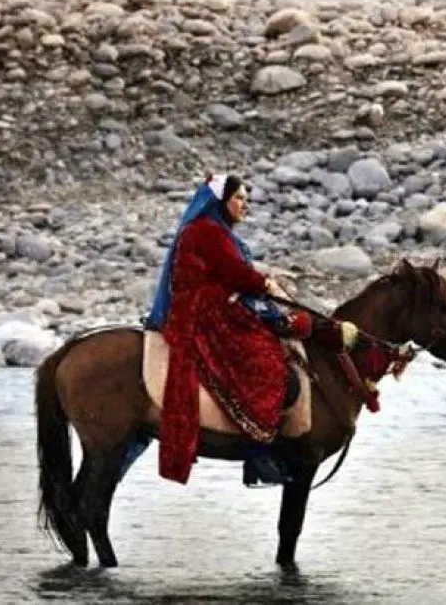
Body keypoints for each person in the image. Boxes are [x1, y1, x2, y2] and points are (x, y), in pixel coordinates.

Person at [145, 173, 359, 487]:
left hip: (218, 303)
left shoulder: (216, 231)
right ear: (222, 202)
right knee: (264, 361)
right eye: (239, 199)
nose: (245, 205)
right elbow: (236, 272)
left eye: (247, 199)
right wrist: (265, 283)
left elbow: (232, 271)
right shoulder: (206, 231)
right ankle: (257, 451)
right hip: (204, 313)